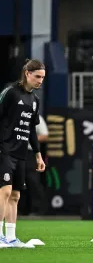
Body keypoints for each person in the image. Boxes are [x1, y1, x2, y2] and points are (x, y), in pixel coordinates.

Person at [0, 59, 46, 248]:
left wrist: (38, 154)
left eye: (43, 77)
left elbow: (31, 130)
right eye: (37, 76)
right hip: (4, 150)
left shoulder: (34, 100)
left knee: (15, 196)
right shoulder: (10, 93)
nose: (40, 81)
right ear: (27, 73)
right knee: (5, 191)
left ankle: (10, 237)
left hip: (21, 153)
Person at [24, 114, 48, 215]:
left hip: (30, 153)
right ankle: (20, 210)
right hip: (12, 151)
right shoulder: (10, 114)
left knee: (33, 180)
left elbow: (45, 136)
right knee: (16, 182)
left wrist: (29, 138)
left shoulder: (35, 116)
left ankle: (37, 210)